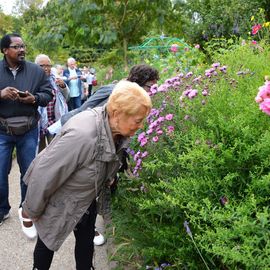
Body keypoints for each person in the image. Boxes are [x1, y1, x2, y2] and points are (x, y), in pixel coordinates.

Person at [22, 80, 152, 270]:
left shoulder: (114, 126)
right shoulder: (83, 135)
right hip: (61, 197)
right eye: (138, 120)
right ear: (116, 113)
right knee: (48, 239)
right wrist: (30, 211)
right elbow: (45, 173)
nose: (140, 126)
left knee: (85, 240)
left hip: (87, 195)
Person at [0, 33, 53, 232]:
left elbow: (48, 94)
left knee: (28, 173)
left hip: (28, 130)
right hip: (2, 132)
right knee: (0, 173)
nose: (22, 50)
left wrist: (34, 99)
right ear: (5, 50)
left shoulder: (35, 70)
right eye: (16, 47)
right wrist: (1, 94)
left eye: (23, 46)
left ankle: (26, 209)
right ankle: (2, 210)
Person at [35, 54, 69, 153]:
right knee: (39, 151)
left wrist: (63, 87)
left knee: (55, 150)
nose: (46, 68)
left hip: (54, 121)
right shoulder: (33, 80)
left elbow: (67, 97)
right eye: (42, 66)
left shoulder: (56, 79)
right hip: (38, 122)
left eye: (48, 65)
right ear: (36, 66)